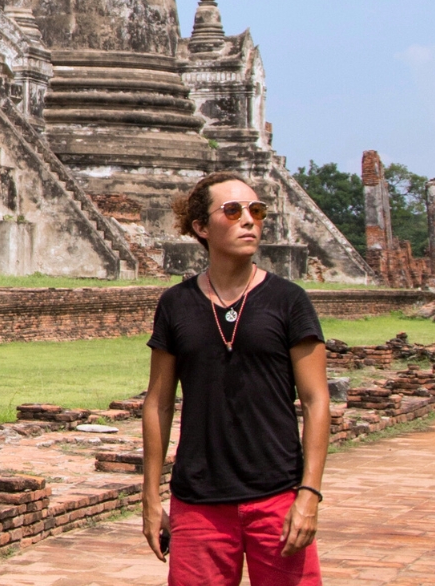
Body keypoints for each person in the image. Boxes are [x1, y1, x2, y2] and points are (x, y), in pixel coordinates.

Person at [141, 172, 329, 586]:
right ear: (201, 227)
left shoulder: (289, 301)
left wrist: (309, 494)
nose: (249, 220)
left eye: (256, 210)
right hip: (199, 500)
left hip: (278, 494)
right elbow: (158, 402)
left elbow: (316, 401)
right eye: (232, 211)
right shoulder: (176, 304)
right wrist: (151, 497)